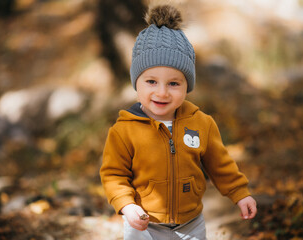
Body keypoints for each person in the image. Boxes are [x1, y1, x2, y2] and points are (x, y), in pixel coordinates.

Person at [100, 4, 257, 240]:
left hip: (190, 225)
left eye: (174, 83)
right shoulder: (124, 130)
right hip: (144, 224)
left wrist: (240, 193)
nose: (162, 93)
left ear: (187, 86)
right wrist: (126, 205)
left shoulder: (201, 124)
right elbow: (114, 174)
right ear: (136, 82)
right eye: (151, 82)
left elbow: (220, 164)